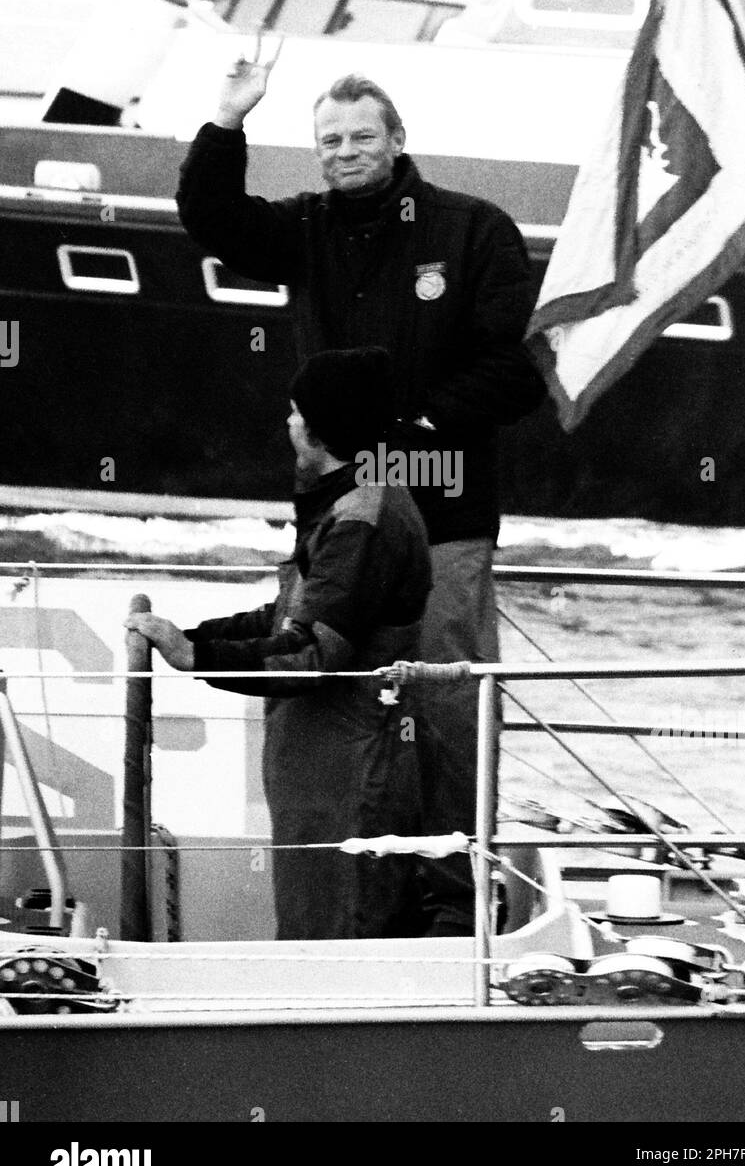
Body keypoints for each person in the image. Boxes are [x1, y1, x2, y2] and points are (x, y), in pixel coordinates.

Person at [176, 67, 545, 935]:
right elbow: (212, 218)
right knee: (321, 710)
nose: (344, 153)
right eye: (330, 140)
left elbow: (522, 365)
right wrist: (227, 119)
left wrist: (419, 420)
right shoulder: (301, 228)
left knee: (443, 710)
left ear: (397, 139)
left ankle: (455, 908)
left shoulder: (472, 229)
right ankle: (350, 909)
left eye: (361, 136)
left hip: (444, 519)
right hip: (335, 524)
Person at [126, 347, 432, 940]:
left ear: (320, 429)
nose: (287, 424)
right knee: (312, 926)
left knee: (339, 938)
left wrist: (198, 658)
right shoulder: (349, 503)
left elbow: (312, 657)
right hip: (323, 771)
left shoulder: (363, 517)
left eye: (295, 413)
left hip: (349, 770)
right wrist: (193, 636)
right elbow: (287, 613)